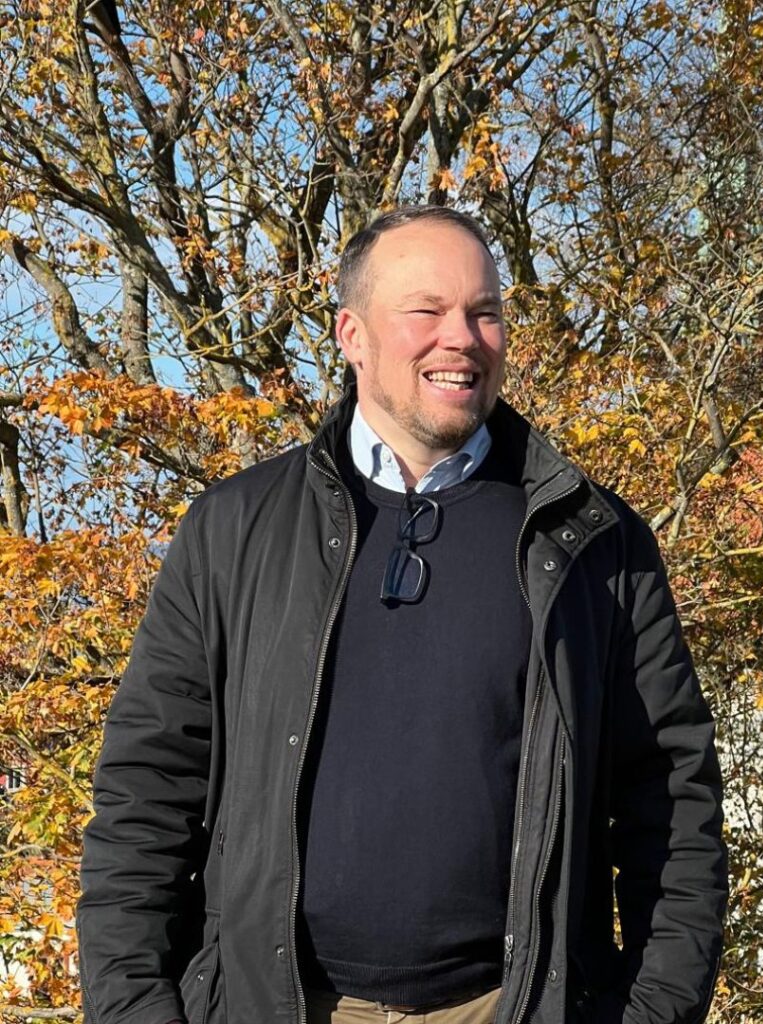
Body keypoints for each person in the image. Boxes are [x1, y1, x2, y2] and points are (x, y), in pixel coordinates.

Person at [77, 206, 728, 1024]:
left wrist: (655, 1010)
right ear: (352, 335)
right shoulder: (234, 531)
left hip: (512, 1006)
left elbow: (671, 802)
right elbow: (146, 793)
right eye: (427, 310)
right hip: (277, 1004)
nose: (462, 338)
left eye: (484, 312)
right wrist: (134, 1007)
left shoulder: (592, 543)